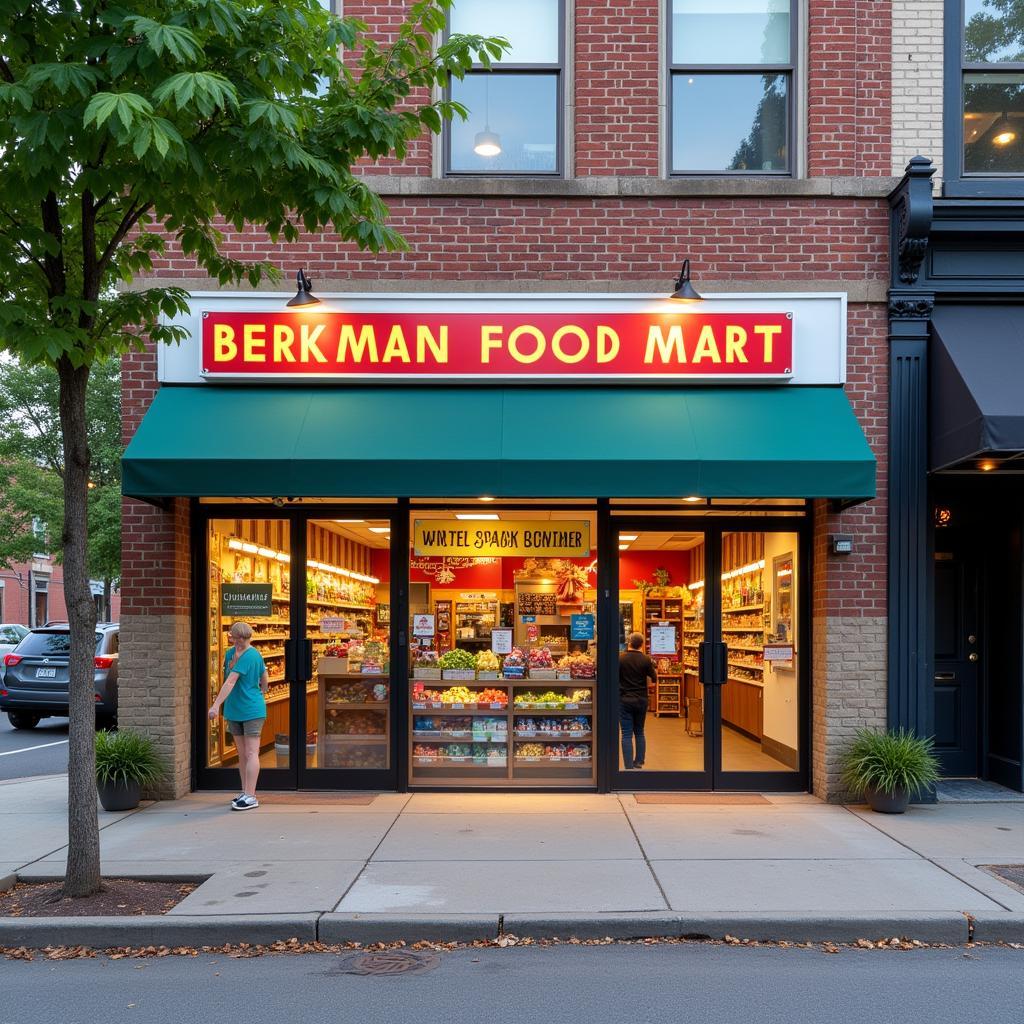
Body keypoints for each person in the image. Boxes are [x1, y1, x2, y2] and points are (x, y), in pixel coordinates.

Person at [209, 621, 269, 810]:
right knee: (242, 754)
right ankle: (245, 791)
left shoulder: (252, 655)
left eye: (242, 640)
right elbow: (264, 678)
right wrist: (263, 690)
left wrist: (215, 705)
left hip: (251, 710)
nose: (239, 643)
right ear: (232, 637)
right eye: (236, 640)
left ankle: (251, 796)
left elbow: (231, 681)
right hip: (234, 709)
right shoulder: (229, 654)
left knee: (252, 752)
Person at [619, 631, 656, 770]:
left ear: (629, 643)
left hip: (624, 700)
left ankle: (628, 765)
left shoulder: (621, 658)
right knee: (639, 731)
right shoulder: (646, 660)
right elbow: (654, 678)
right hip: (641, 699)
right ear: (641, 645)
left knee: (626, 733)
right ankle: (639, 762)